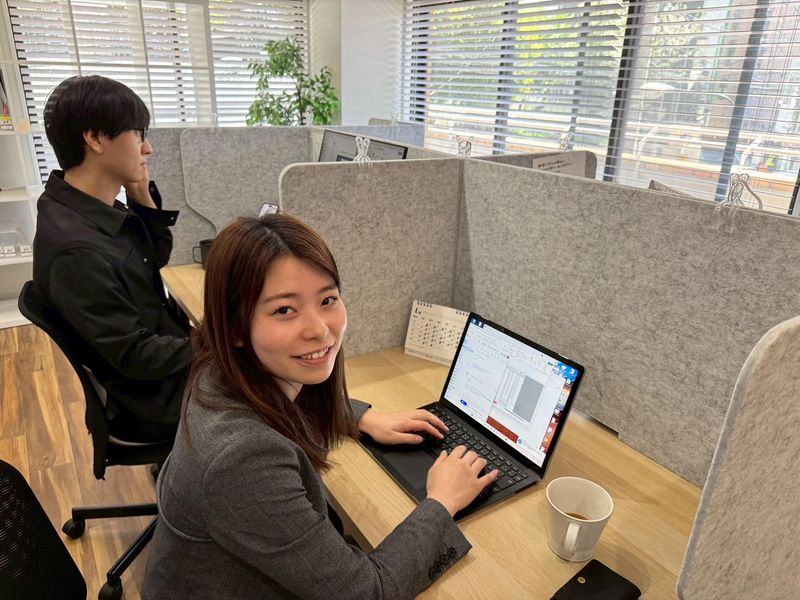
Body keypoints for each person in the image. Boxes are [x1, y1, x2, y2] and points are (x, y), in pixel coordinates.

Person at [142, 214, 498, 599]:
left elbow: (282, 403)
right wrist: (442, 501)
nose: (320, 329)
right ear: (235, 327)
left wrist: (363, 417)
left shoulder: (221, 370)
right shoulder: (242, 460)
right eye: (284, 310)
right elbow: (365, 593)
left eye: (327, 300)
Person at [32, 75, 190, 442]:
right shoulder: (76, 250)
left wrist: (141, 195)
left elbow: (155, 257)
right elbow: (137, 356)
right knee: (273, 366)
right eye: (138, 134)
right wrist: (217, 346)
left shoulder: (84, 208)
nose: (147, 148)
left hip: (160, 356)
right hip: (153, 397)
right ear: (96, 138)